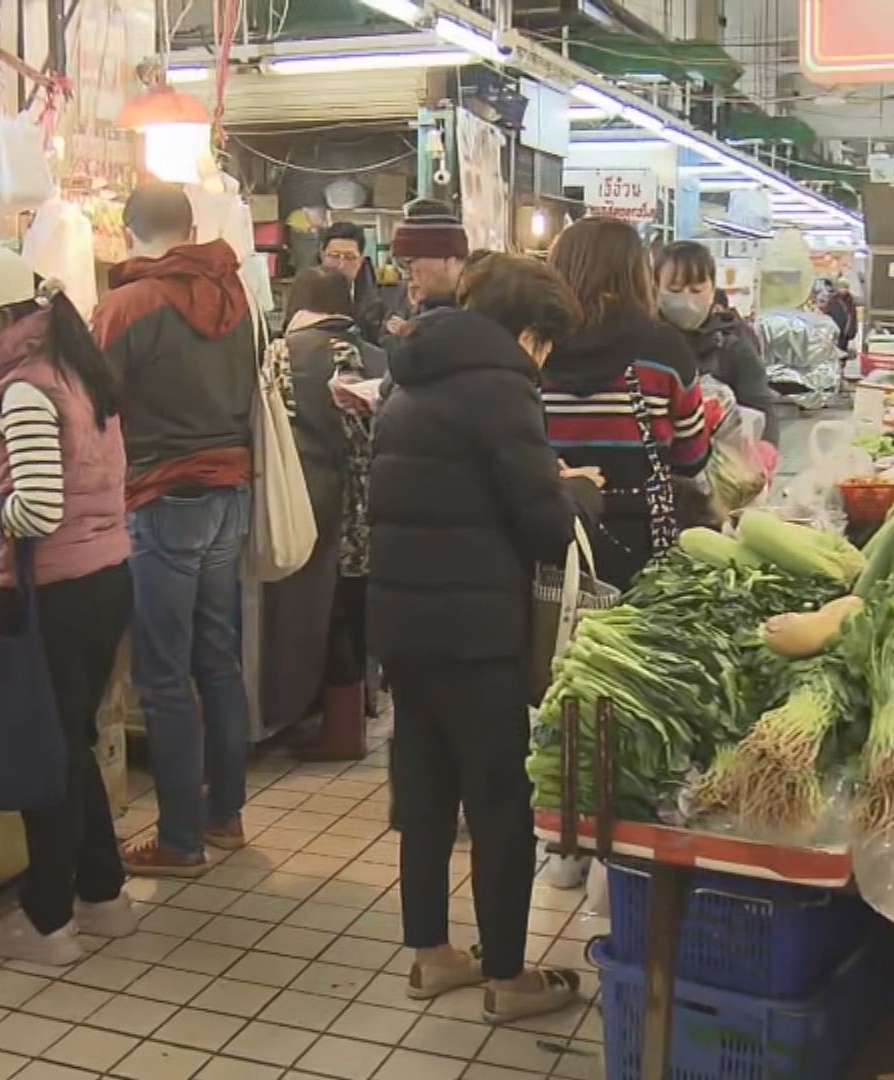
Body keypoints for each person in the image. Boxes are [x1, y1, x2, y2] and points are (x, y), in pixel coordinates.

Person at [369, 253, 601, 1025]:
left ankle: (431, 955)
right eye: (546, 344)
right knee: (501, 800)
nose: (543, 360)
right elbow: (541, 522)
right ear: (528, 333)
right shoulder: (502, 386)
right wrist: (579, 493)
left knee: (427, 794)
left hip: (404, 622)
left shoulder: (411, 375)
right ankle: (507, 975)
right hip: (475, 630)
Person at [0, 248, 136, 965]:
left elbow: (39, 510)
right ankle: (104, 895)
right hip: (103, 578)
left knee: (47, 759)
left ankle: (48, 921)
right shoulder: (74, 369)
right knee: (72, 748)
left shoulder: (22, 388)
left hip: (54, 594)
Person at [91, 182, 258, 878]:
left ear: (128, 232)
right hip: (230, 490)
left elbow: (91, 402)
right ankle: (225, 814)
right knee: (216, 658)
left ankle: (180, 840)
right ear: (190, 228)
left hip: (162, 497)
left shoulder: (126, 306)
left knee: (163, 675)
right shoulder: (234, 294)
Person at [543, 221, 712, 588]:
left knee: (552, 636)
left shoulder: (535, 346)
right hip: (640, 546)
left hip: (548, 539)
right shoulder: (665, 350)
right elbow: (692, 457)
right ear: (637, 273)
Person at [262, 268, 387, 760]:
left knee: (317, 613)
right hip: (370, 503)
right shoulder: (379, 353)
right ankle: (352, 718)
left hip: (306, 502)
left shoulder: (282, 353)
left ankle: (334, 732)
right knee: (355, 607)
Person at [654, 240, 782, 446]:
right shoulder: (643, 344)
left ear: (713, 290)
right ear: (655, 289)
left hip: (723, 468)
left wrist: (764, 453)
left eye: (696, 290)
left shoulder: (733, 347)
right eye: (675, 290)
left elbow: (762, 408)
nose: (686, 300)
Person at [384, 198, 469, 335]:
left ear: (450, 261)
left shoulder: (484, 314)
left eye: (409, 263)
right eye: (400, 266)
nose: (407, 276)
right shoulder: (408, 303)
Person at [319, 221, 388, 345]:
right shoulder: (305, 292)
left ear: (361, 260)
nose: (341, 265)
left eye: (349, 257)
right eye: (334, 256)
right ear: (322, 256)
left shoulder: (378, 300)